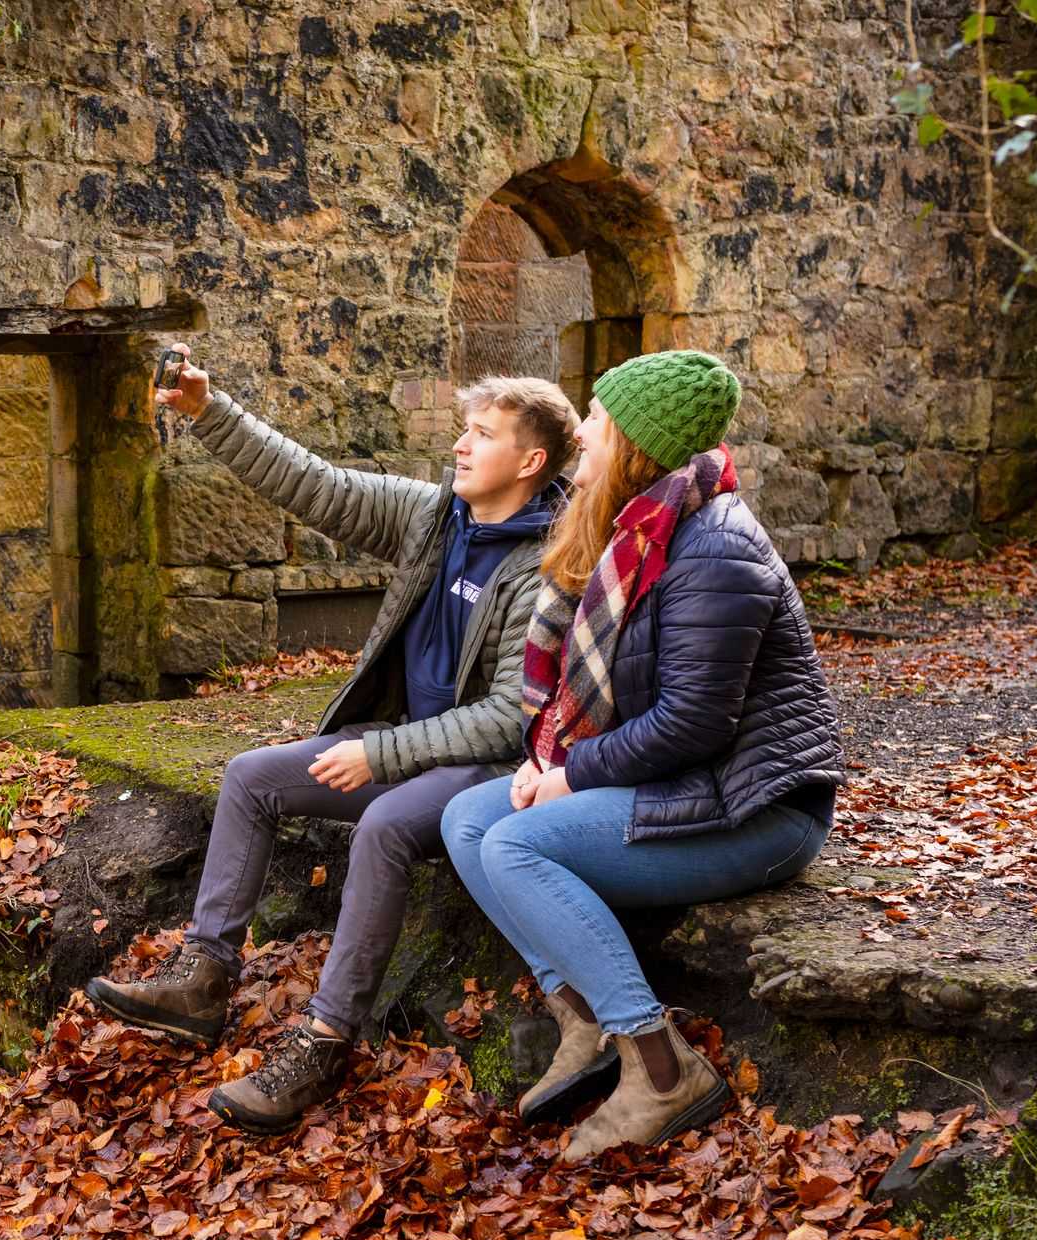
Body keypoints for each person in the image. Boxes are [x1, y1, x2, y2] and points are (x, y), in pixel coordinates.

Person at [85, 342, 577, 1135]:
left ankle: (323, 1039)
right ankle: (204, 978)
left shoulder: (546, 566)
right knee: (251, 774)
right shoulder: (433, 515)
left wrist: (377, 752)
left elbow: (506, 717)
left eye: (482, 433)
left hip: (486, 767)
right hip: (411, 742)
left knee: (382, 827)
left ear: (531, 459)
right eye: (465, 430)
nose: (460, 443)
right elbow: (315, 484)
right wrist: (210, 411)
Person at [438, 349, 843, 1163]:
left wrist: (571, 775)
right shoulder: (643, 528)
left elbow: (694, 721)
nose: (582, 430)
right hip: (684, 783)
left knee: (515, 844)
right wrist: (547, 755)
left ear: (636, 442)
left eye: (599, 417)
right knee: (466, 817)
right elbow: (602, 692)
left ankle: (660, 1066)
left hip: (758, 809)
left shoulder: (715, 547)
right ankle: (582, 1018)